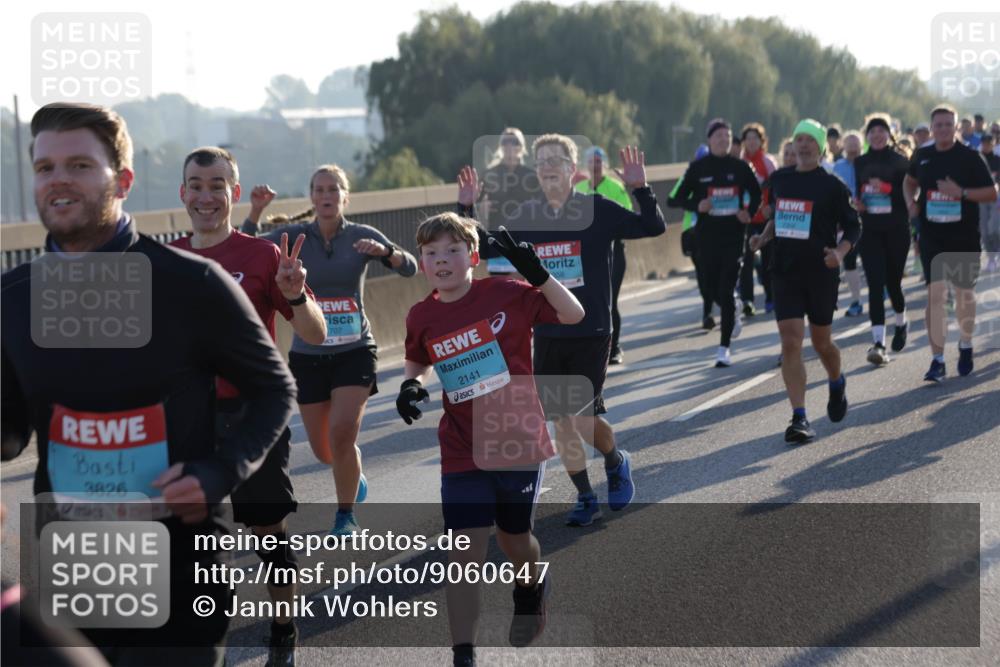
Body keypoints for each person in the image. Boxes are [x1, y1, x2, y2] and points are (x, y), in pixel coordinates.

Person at [2, 102, 296, 665]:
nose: (58, 179)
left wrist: (218, 472)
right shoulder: (13, 299)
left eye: (79, 165)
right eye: (44, 167)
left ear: (123, 181)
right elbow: (9, 432)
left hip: (180, 566)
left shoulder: (192, 283)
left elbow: (274, 390)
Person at [397, 213, 584, 666]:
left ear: (474, 257)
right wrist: (411, 384)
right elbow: (417, 359)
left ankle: (531, 584)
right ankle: (463, 653)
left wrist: (538, 275)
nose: (442, 260)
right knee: (463, 551)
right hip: (461, 446)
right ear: (422, 261)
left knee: (515, 539)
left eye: (452, 250)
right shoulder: (421, 315)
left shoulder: (506, 293)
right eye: (431, 253)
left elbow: (573, 314)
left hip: (517, 440)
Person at [169, 147, 327, 666]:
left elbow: (315, 334)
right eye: (196, 185)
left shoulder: (263, 256)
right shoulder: (166, 260)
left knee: (267, 533)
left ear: (234, 193)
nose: (206, 196)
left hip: (254, 417)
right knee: (195, 542)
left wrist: (297, 295)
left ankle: (284, 625)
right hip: (189, 421)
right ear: (183, 193)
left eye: (217, 185)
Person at [460, 137, 665, 527]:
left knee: (583, 418)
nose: (548, 166)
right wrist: (466, 210)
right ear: (537, 173)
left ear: (573, 169)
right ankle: (585, 496)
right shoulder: (527, 215)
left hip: (591, 329)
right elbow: (484, 248)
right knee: (561, 420)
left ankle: (615, 460)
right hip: (549, 332)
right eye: (541, 162)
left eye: (556, 160)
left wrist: (641, 188)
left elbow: (652, 226)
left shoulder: (597, 209)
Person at [243, 166, 418, 535]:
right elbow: (242, 250)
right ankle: (351, 470)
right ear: (312, 197)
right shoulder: (294, 236)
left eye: (333, 189)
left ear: (345, 196)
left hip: (355, 350)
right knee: (325, 451)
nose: (326, 195)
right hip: (308, 355)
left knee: (341, 434)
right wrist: (256, 211)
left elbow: (410, 267)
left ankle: (345, 515)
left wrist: (386, 252)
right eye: (320, 189)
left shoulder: (360, 235)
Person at [750, 119, 860, 443]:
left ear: (821, 147)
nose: (803, 144)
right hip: (785, 270)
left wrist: (839, 252)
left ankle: (836, 380)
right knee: (790, 341)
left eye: (810, 140)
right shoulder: (780, 179)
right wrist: (763, 238)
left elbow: (854, 226)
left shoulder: (833, 185)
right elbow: (779, 217)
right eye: (799, 139)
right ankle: (799, 417)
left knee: (822, 343)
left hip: (820, 271)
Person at [903, 104, 998, 382]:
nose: (943, 129)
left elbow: (991, 193)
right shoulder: (923, 155)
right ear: (932, 128)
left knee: (963, 293)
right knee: (936, 296)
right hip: (931, 235)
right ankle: (937, 360)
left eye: (948, 124)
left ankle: (965, 344)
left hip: (963, 235)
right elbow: (908, 182)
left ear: (956, 127)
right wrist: (910, 203)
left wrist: (961, 192)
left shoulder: (970, 157)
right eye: (939, 125)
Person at [669, 119, 761, 367]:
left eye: (727, 136)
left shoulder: (741, 167)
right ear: (709, 140)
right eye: (718, 136)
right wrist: (696, 205)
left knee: (726, 288)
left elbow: (757, 192)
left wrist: (748, 211)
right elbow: (675, 199)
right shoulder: (698, 168)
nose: (723, 140)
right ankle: (733, 307)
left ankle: (724, 348)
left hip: (733, 236)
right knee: (710, 290)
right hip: (706, 237)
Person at [852, 113, 913, 366]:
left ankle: (901, 321)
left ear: (889, 134)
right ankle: (878, 343)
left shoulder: (900, 161)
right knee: (875, 285)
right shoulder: (860, 162)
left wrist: (886, 189)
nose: (877, 135)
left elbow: (909, 197)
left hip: (896, 229)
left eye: (881, 131)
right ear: (867, 136)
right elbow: (859, 191)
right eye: (872, 131)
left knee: (893, 283)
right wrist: (858, 203)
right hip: (870, 230)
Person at [574, 146, 634, 364]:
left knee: (610, 300)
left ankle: (614, 347)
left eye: (599, 161)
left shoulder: (615, 187)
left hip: (613, 250)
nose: (595, 165)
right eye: (591, 161)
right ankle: (592, 348)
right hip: (585, 253)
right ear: (586, 165)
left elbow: (628, 217)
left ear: (604, 164)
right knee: (587, 301)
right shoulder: (578, 188)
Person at [480, 128, 540, 274]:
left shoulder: (532, 175)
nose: (509, 145)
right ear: (500, 146)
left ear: (522, 146)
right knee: (499, 284)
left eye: (514, 141)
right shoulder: (489, 174)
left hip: (524, 238)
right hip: (497, 237)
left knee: (526, 282)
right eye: (505, 141)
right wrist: (481, 207)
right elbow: (474, 204)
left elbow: (542, 203)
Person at [739, 122, 778, 315]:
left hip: (765, 218)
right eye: (748, 138)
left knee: (769, 259)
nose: (751, 142)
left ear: (762, 141)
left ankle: (771, 297)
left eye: (755, 138)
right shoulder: (740, 162)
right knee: (745, 261)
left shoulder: (768, 162)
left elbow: (777, 188)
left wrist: (772, 206)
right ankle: (747, 300)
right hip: (746, 219)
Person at [676, 144, 715, 329]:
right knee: (702, 273)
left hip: (715, 230)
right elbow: (674, 198)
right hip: (692, 232)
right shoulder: (690, 176)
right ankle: (707, 312)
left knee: (713, 272)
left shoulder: (719, 176)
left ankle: (711, 309)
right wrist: (695, 203)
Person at [832, 131, 865, 317]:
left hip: (870, 217)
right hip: (848, 220)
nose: (852, 148)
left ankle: (883, 289)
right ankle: (856, 301)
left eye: (855, 144)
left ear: (861, 145)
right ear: (843, 146)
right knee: (850, 261)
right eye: (849, 144)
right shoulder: (838, 166)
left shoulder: (868, 163)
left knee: (873, 259)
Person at [978, 133, 1000, 273]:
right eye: (984, 143)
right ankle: (991, 259)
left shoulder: (998, 160)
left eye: (989, 143)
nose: (986, 145)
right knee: (984, 232)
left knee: (994, 229)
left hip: (997, 198)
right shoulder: (977, 159)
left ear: (993, 144)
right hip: (981, 198)